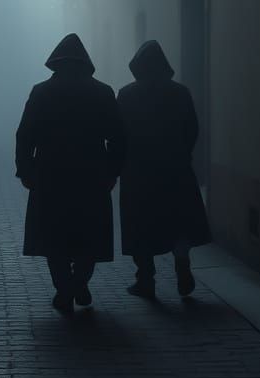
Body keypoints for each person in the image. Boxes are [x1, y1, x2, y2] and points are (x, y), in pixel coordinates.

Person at [15, 33, 125, 312]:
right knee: (89, 234)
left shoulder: (41, 92)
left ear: (56, 64)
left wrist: (26, 170)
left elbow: (25, 135)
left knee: (54, 235)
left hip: (50, 174)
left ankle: (65, 286)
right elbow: (119, 136)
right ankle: (79, 283)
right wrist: (113, 170)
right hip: (92, 173)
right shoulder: (102, 91)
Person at [117, 39, 211, 299]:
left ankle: (145, 279)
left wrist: (118, 164)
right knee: (179, 223)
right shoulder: (180, 92)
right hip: (176, 170)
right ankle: (182, 265)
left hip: (138, 173)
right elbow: (192, 129)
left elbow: (118, 134)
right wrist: (182, 154)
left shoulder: (126, 94)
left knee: (141, 227)